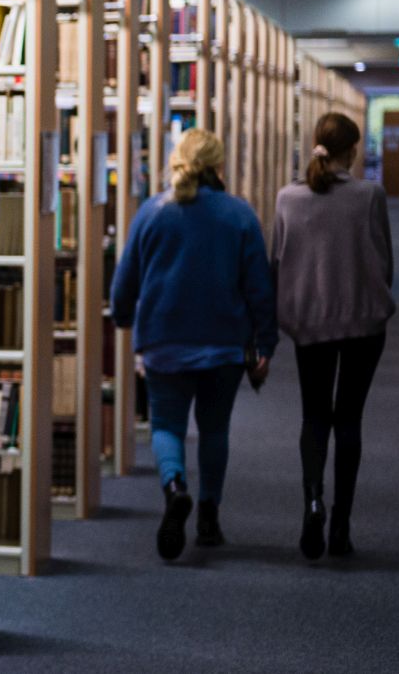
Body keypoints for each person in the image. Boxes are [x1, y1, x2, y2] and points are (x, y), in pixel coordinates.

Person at [111, 128, 275, 561]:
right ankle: (208, 516)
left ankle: (174, 487)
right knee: (214, 429)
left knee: (166, 426)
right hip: (224, 344)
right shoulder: (239, 215)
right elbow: (259, 287)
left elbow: (125, 280)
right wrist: (265, 344)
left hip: (164, 341)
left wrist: (126, 320)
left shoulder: (151, 212)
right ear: (219, 166)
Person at [274, 113, 394, 560]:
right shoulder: (370, 196)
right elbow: (384, 261)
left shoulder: (287, 199)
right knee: (349, 421)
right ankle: (341, 522)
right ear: (353, 151)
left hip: (310, 322)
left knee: (314, 417)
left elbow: (277, 261)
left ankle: (312, 503)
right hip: (363, 320)